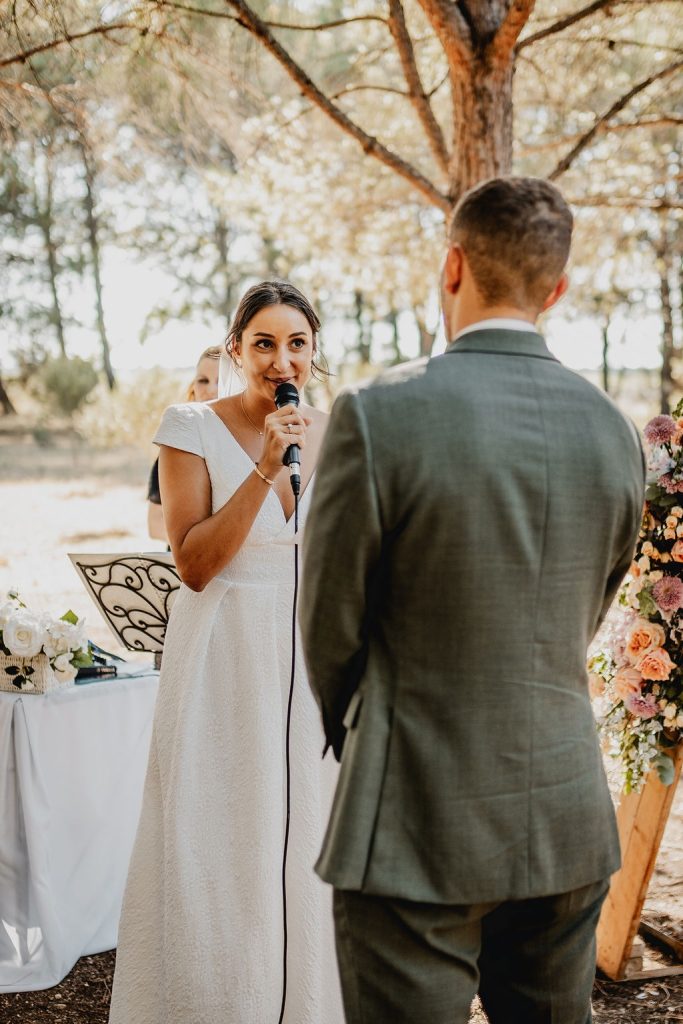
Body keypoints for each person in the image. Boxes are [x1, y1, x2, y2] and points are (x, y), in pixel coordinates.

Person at [300, 177, 645, 1024]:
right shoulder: (613, 428)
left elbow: (328, 626)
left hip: (413, 811)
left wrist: (371, 736)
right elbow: (591, 603)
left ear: (449, 266)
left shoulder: (378, 413)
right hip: (565, 809)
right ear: (555, 288)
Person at [109, 282, 343, 1024]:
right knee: (217, 835)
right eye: (265, 343)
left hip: (305, 660)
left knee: (304, 832)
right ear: (236, 349)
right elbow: (196, 563)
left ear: (313, 351)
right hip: (221, 655)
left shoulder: (331, 430)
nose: (282, 359)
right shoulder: (188, 426)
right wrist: (268, 466)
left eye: (297, 343)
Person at [147, 345, 221, 545]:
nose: (211, 390)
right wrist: (197, 546)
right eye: (203, 381)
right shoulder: (174, 451)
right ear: (193, 389)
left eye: (220, 381)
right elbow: (155, 525)